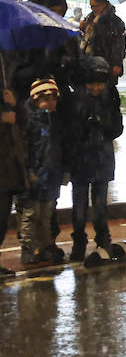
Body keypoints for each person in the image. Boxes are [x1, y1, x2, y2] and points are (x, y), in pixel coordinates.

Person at [60, 56, 122, 264]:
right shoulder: (75, 100)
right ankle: (79, 241)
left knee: (100, 206)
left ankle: (103, 239)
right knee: (79, 207)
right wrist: (84, 123)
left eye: (99, 84)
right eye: (91, 84)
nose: (95, 88)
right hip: (80, 160)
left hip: (102, 159)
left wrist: (102, 124)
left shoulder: (110, 98)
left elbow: (117, 128)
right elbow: (69, 132)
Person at [19, 78, 64, 266]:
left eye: (53, 99)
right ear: (36, 100)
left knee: (46, 214)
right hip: (34, 176)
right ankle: (28, 248)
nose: (50, 103)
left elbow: (59, 149)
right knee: (31, 214)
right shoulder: (29, 122)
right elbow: (24, 150)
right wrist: (28, 171)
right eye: (45, 99)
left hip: (51, 176)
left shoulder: (54, 122)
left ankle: (45, 246)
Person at [1, 61, 27, 272]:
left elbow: (24, 122)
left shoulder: (6, 87)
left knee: (2, 219)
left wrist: (15, 104)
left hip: (9, 166)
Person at [80, 0, 126, 81]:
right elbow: (86, 39)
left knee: (106, 87)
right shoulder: (89, 19)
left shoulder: (115, 22)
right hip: (89, 61)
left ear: (104, 4)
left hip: (108, 62)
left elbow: (119, 44)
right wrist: (82, 28)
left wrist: (117, 63)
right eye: (91, 6)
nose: (93, 9)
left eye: (96, 6)